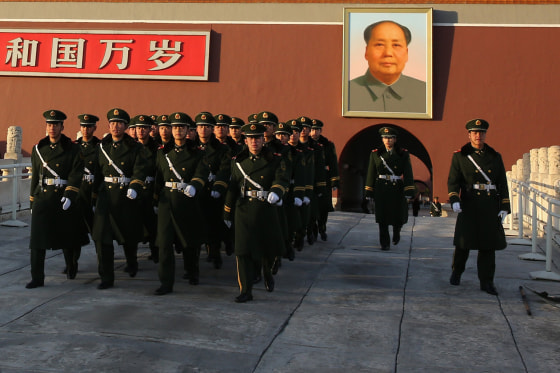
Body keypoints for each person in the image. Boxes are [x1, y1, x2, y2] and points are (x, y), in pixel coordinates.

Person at [224, 122, 289, 303]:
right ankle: (246, 290)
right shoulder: (238, 161)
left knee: (266, 249)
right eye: (250, 138)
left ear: (263, 139)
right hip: (244, 209)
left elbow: (281, 179)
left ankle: (267, 272)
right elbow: (233, 188)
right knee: (242, 251)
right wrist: (227, 212)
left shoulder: (274, 159)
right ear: (245, 140)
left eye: (257, 138)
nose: (254, 142)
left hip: (265, 208)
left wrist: (276, 191)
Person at [447, 119, 510, 295]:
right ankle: (457, 272)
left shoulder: (495, 157)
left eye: (481, 132)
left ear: (485, 134)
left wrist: (504, 205)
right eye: (474, 133)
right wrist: (454, 199)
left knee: (488, 246)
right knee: (463, 243)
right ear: (469, 135)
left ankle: (487, 281)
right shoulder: (460, 156)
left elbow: (502, 183)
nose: (478, 136)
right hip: (469, 203)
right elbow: (453, 181)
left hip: (489, 205)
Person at [26, 110, 85, 288]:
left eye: (55, 125)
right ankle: (37, 277)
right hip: (42, 198)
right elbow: (36, 176)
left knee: (67, 237)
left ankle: (71, 264)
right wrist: (31, 200)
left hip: (62, 198)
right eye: (49, 124)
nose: (52, 128)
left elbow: (76, 173)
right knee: (37, 241)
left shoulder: (73, 149)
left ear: (62, 127)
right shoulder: (39, 149)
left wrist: (70, 194)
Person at [92, 108, 149, 289]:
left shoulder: (135, 147)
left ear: (125, 126)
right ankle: (106, 277)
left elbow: (141, 169)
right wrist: (92, 197)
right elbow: (97, 173)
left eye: (119, 123)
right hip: (106, 198)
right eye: (112, 123)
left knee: (129, 236)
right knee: (101, 238)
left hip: (126, 196)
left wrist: (135, 186)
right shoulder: (102, 147)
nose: (115, 127)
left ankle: (132, 262)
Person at [153, 112, 209, 294]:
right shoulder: (163, 152)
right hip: (167, 202)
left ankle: (192, 271)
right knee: (164, 244)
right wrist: (155, 200)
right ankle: (166, 282)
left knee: (189, 241)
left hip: (187, 201)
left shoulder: (197, 152)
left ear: (187, 130)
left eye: (181, 127)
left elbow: (202, 173)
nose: (177, 130)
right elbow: (158, 178)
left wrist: (194, 185)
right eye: (175, 127)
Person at [349, 20, 426, 113]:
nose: (388, 53)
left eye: (396, 45)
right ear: (366, 52)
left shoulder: (425, 93)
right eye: (379, 44)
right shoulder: (347, 92)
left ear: (406, 53)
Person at [364, 126, 415, 250]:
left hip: (396, 187)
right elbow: (371, 172)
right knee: (382, 217)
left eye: (390, 138)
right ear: (382, 139)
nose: (387, 140)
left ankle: (397, 231)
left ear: (395, 140)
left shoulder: (403, 153)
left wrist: (409, 190)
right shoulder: (375, 154)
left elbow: (408, 172)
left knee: (398, 216)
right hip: (381, 188)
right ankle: (384, 243)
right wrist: (369, 190)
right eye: (385, 138)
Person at [195, 112, 232, 269]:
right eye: (200, 126)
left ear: (212, 129)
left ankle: (215, 253)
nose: (203, 130)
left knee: (214, 225)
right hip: (196, 191)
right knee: (195, 226)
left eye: (207, 127)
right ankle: (193, 264)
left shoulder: (222, 149)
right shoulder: (191, 147)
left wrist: (218, 187)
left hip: (213, 191)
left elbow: (225, 170)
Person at [133, 114, 159, 263]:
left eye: (144, 128)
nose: (141, 131)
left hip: (151, 189)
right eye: (138, 128)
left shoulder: (157, 149)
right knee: (135, 224)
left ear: (150, 129)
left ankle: (155, 251)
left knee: (152, 225)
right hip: (136, 190)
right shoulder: (132, 148)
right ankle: (133, 257)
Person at [310, 119, 339, 241]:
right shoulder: (306, 144)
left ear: (321, 131)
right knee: (311, 205)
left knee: (323, 206)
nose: (314, 132)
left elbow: (333, 163)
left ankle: (322, 227)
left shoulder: (327, 144)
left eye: (316, 129)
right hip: (310, 177)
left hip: (324, 177)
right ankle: (313, 228)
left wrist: (334, 181)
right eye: (312, 129)